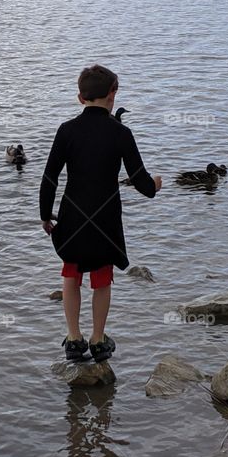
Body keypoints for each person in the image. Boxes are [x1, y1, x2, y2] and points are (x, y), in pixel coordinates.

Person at [39, 64, 161, 363]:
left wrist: (45, 213)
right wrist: (155, 186)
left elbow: (50, 177)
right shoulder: (121, 132)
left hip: (73, 217)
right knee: (102, 279)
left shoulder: (66, 130)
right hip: (105, 220)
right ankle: (98, 339)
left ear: (80, 97)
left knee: (71, 273)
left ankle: (73, 337)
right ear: (113, 95)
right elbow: (141, 181)